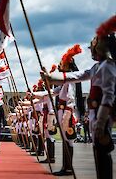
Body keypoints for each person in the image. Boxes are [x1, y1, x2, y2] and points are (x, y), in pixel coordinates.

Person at [43, 15, 116, 179]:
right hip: (95, 116)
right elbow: (76, 75)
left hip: (101, 116)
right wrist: (51, 77)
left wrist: (102, 121)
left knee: (103, 156)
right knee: (99, 155)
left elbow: (108, 98)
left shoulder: (108, 66)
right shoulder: (97, 67)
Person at [34, 44, 83, 176]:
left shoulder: (70, 81)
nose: (61, 66)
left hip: (66, 112)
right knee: (65, 140)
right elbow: (51, 91)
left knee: (68, 140)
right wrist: (35, 95)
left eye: (63, 64)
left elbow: (71, 100)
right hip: (62, 112)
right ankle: (65, 166)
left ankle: (68, 168)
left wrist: (66, 116)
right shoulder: (63, 84)